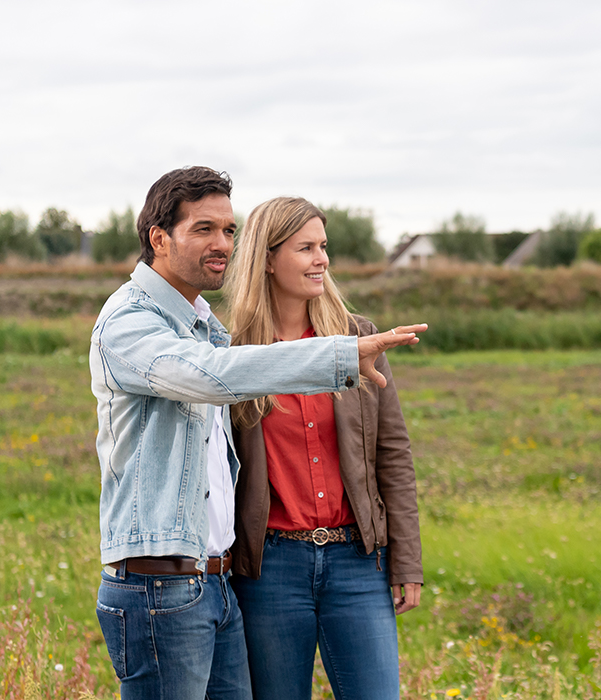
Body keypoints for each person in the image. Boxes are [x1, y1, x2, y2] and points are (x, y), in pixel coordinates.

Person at [89, 167, 426, 700]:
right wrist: (337, 356)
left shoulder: (206, 327)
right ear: (159, 237)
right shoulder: (139, 325)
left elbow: (392, 454)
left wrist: (404, 555)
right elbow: (209, 376)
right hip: (180, 579)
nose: (221, 242)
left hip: (222, 580)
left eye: (228, 230)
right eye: (204, 229)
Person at [226, 196, 424, 700]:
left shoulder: (360, 339)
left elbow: (393, 456)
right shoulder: (233, 353)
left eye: (324, 247)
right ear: (267, 258)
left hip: (357, 561)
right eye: (306, 248)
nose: (322, 259)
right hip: (269, 568)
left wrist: (406, 560)